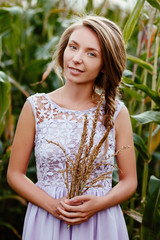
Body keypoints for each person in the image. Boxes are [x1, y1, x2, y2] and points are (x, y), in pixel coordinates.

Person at [7, 15, 137, 240]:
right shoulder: (36, 107)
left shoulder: (117, 113)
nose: (77, 58)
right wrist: (53, 205)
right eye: (73, 47)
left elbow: (129, 181)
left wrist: (98, 204)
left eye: (91, 54)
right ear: (63, 49)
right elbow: (14, 174)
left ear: (105, 65)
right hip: (47, 218)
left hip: (100, 221)